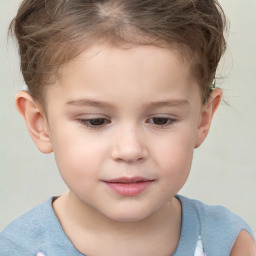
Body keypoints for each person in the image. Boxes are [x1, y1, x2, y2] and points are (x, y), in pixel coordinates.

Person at [0, 0, 255, 255]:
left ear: (203, 119)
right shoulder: (15, 249)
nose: (130, 150)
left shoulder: (228, 244)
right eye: (95, 121)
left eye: (161, 120)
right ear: (39, 123)